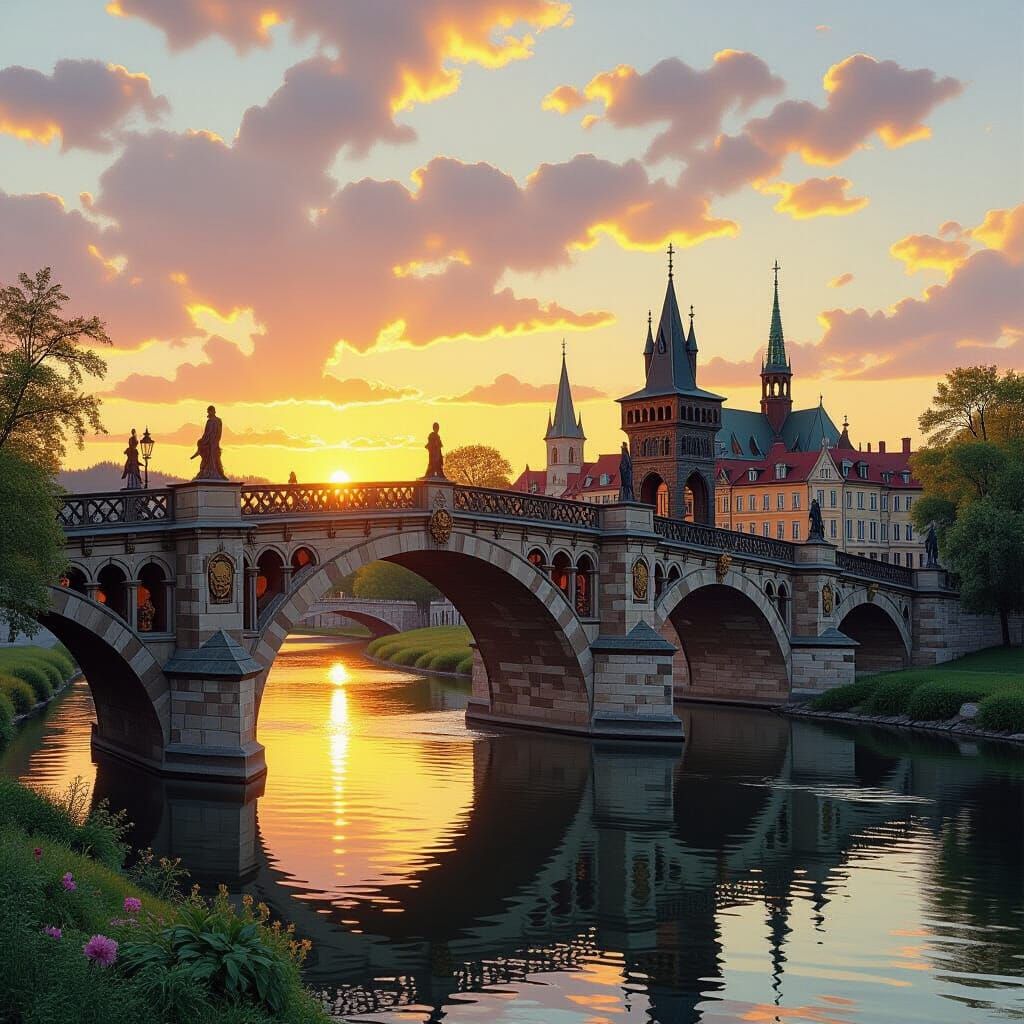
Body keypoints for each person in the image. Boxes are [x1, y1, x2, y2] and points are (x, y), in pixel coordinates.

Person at [192, 405, 226, 480]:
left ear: (213, 411)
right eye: (208, 412)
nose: (209, 413)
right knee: (213, 458)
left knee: (213, 459)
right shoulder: (214, 421)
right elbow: (208, 433)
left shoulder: (214, 421)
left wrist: (205, 441)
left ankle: (214, 472)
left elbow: (212, 433)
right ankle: (214, 472)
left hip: (212, 443)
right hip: (212, 443)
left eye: (209, 411)